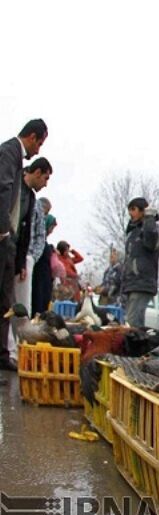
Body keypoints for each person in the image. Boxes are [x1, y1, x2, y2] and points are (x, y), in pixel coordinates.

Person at [0, 118, 48, 371]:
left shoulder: (17, 161)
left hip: (10, 243)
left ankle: (1, 353)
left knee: (4, 301)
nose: (38, 150)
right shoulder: (8, 152)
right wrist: (1, 228)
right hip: (2, 238)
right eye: (40, 143)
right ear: (32, 137)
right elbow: (2, 189)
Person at [13, 158, 52, 310]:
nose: (46, 184)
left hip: (24, 257)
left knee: (22, 305)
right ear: (37, 173)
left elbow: (39, 236)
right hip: (9, 252)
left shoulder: (33, 202)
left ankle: (17, 333)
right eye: (45, 178)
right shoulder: (12, 189)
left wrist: (30, 258)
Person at [121, 198, 159, 328]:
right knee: (129, 322)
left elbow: (151, 243)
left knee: (133, 323)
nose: (130, 213)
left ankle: (135, 347)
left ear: (143, 210)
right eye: (129, 209)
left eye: (133, 209)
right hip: (130, 282)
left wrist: (149, 219)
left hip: (142, 282)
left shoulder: (154, 230)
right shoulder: (132, 232)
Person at [31, 208, 56, 314]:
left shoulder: (45, 243)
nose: (51, 230)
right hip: (38, 278)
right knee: (38, 302)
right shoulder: (38, 243)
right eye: (51, 227)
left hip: (46, 280)